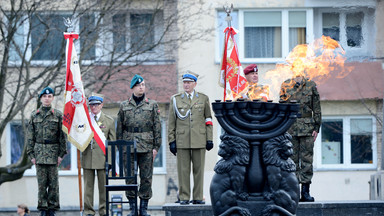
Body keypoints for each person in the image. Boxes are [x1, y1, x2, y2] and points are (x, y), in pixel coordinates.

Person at [116, 74, 161, 216]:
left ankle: (144, 208)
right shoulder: (124, 106)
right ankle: (132, 208)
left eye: (143, 85)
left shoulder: (152, 105)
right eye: (139, 85)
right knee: (130, 177)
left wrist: (156, 147)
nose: (142, 87)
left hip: (147, 145)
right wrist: (120, 146)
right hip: (128, 144)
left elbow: (157, 127)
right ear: (133, 87)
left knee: (146, 177)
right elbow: (119, 128)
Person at [168, 71, 214, 205]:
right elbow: (171, 122)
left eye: (189, 82)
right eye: (184, 82)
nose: (186, 85)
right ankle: (184, 197)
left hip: (199, 138)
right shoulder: (176, 99)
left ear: (195, 84)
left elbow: (208, 119)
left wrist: (209, 138)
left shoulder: (203, 99)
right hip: (182, 140)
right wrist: (171, 140)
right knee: (183, 171)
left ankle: (198, 196)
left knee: (199, 171)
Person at [280, 73, 321, 202]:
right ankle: (293, 191)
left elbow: (317, 107)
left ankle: (305, 191)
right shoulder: (286, 85)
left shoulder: (311, 85)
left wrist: (317, 127)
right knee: (291, 161)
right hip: (290, 128)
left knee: (306, 160)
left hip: (307, 129)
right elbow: (282, 108)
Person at [27, 86, 67, 216]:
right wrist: (31, 155)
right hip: (39, 153)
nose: (47, 98)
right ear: (41, 98)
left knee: (54, 184)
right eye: (45, 96)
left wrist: (61, 155)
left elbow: (62, 136)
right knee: (41, 184)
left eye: (49, 96)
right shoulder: (34, 115)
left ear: (52, 98)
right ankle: (43, 209)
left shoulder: (58, 115)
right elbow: (30, 137)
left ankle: (52, 209)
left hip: (53, 153)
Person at [82, 93, 116, 216]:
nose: (93, 107)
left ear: (101, 105)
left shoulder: (109, 121)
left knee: (103, 189)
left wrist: (111, 161)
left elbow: (112, 143)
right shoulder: (85, 120)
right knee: (88, 189)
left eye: (96, 104)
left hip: (103, 159)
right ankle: (88, 212)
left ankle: (104, 211)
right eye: (91, 105)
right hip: (88, 157)